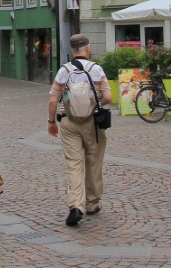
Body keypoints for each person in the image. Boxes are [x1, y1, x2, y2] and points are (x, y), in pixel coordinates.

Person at [47, 34, 112, 227]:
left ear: (73, 50)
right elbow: (108, 96)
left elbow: (52, 99)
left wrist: (51, 122)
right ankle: (92, 203)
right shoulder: (96, 69)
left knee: (74, 164)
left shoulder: (63, 71)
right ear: (87, 48)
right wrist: (96, 99)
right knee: (93, 161)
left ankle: (76, 205)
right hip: (93, 123)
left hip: (69, 122)